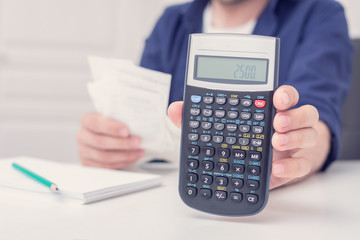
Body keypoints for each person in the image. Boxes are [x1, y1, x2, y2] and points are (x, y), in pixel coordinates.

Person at [77, 0, 352, 189]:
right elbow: (141, 117)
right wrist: (107, 142)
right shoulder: (172, 21)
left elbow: (318, 120)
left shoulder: (320, 13)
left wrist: (290, 152)